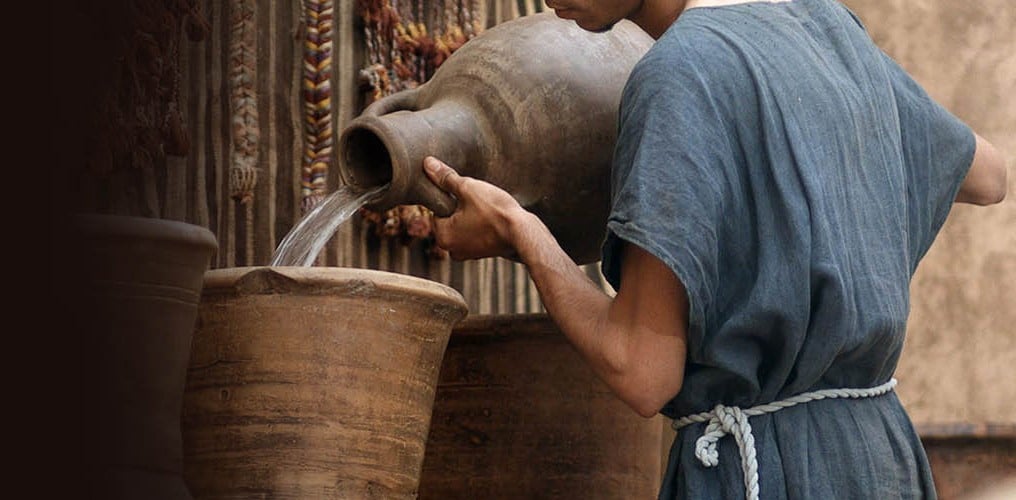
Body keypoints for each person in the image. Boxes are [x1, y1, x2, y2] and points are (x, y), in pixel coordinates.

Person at [420, 0, 1008, 498]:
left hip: (766, 471)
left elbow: (641, 369)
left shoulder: (679, 75)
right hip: (881, 459)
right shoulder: (824, 23)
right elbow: (988, 173)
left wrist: (520, 233)